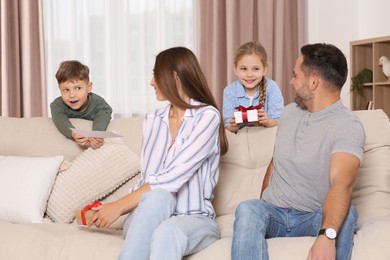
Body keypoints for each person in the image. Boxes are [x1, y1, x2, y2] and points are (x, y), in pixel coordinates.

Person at [88, 47, 229, 259]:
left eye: (155, 74)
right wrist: (107, 209)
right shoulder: (152, 120)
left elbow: (172, 178)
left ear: (175, 77)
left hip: (194, 219)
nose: (151, 82)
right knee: (157, 199)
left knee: (166, 229)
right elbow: (148, 179)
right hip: (147, 217)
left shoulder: (207, 117)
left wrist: (117, 206)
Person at [231, 43, 365, 260]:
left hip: (311, 218)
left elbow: (343, 184)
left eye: (295, 75)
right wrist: (265, 203)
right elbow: (276, 162)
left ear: (313, 82)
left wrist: (326, 236)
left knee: (348, 214)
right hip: (274, 213)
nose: (291, 82)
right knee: (248, 208)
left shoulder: (347, 125)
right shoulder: (289, 113)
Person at [223, 41, 284, 133]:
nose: (249, 74)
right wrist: (233, 125)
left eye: (255, 69)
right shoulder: (230, 91)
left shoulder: (271, 88)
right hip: (240, 142)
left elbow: (279, 121)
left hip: (266, 140)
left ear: (264, 69)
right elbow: (228, 127)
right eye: (244, 69)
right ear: (235, 69)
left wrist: (267, 121)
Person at [50, 60, 112, 149]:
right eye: (66, 90)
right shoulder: (57, 105)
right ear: (59, 89)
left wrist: (96, 135)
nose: (72, 95)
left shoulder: (100, 104)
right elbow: (61, 121)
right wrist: (73, 133)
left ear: (89, 87)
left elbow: (102, 116)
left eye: (78, 88)